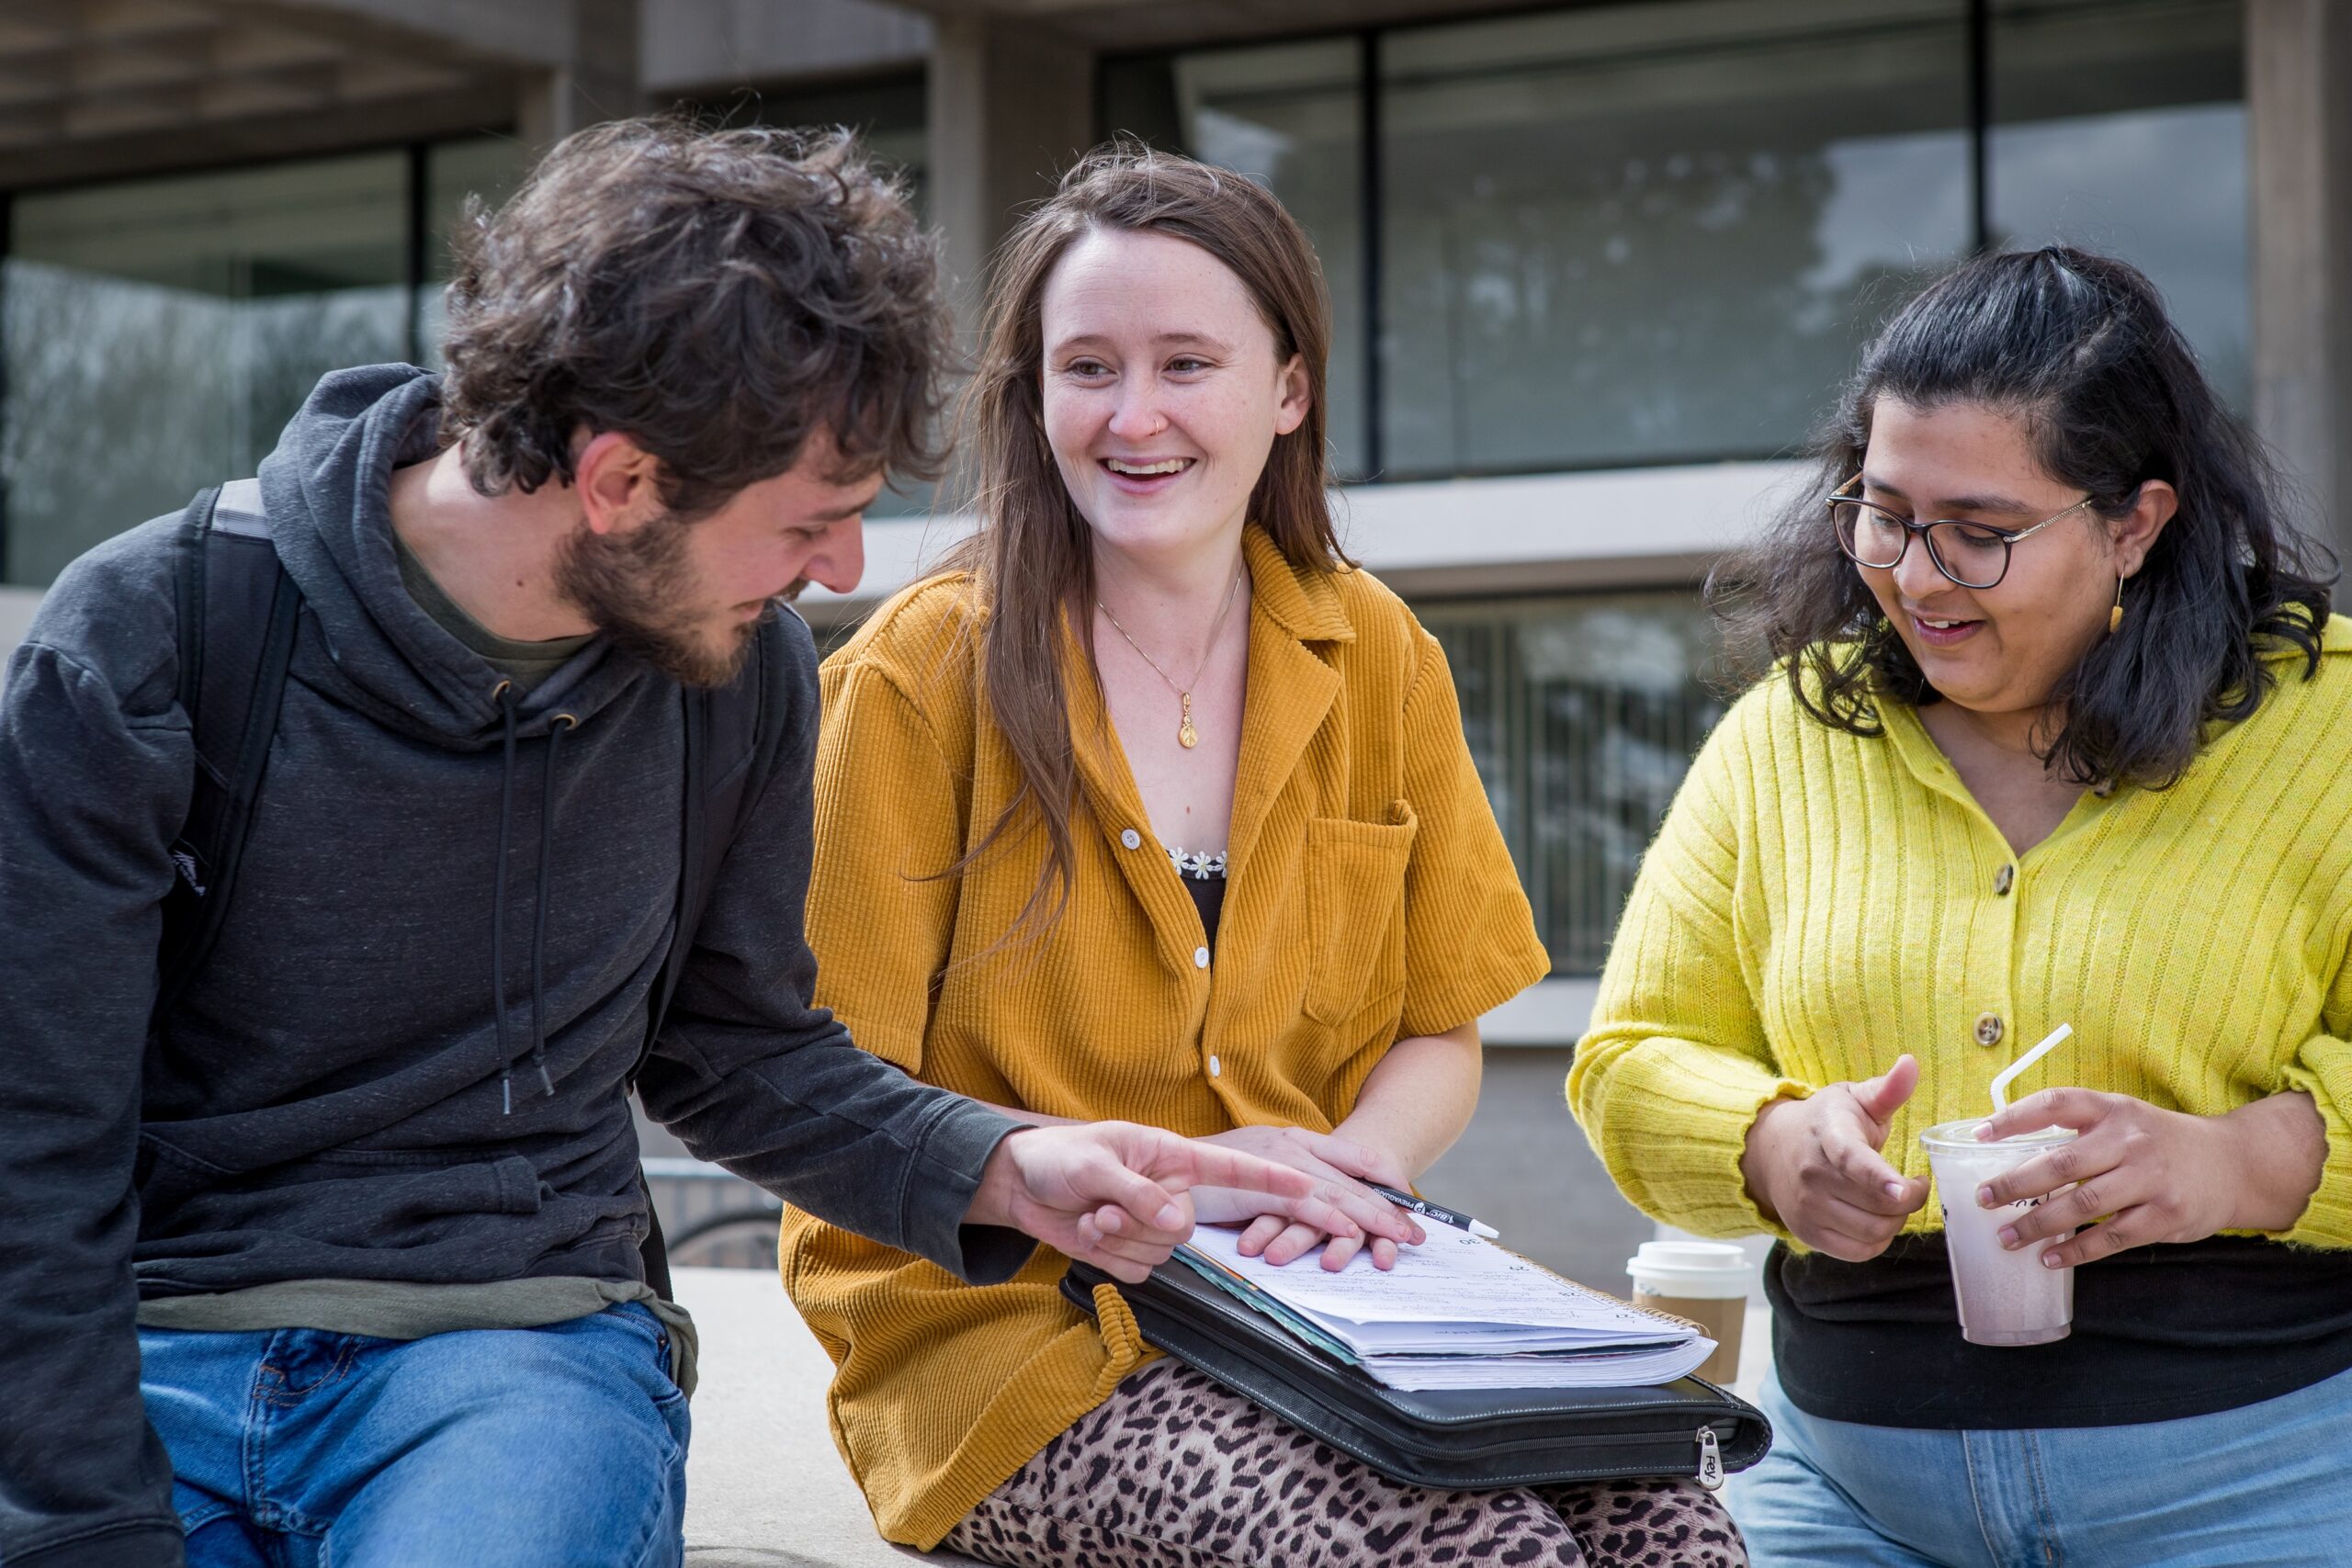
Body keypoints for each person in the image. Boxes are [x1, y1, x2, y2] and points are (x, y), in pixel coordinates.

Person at [0, 119, 1413, 1568]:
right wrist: (83, 1524)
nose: (844, 571)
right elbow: (30, 1140)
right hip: (140, 1348)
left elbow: (739, 1052)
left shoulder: (739, 676)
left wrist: (1005, 1167)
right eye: (810, 521)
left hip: (517, 1356)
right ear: (619, 486)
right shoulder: (156, 638)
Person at [780, 144, 1749, 1568]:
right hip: (1020, 1339)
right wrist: (1152, 1178)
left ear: (1287, 392)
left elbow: (1442, 1031)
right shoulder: (918, 680)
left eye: (1187, 363)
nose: (1133, 416)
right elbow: (829, 1103)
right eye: (1089, 367)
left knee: (1676, 1527)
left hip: (1336, 1301)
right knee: (1483, 1551)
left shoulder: (1379, 655)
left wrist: (1346, 1173)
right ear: (1034, 394)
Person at [1570, 245, 2352, 1565]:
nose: (1916, 576)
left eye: (1981, 535)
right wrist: (1773, 1147)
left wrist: (2240, 1162)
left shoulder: (2322, 724)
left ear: (2136, 523)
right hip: (1840, 1496)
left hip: (2263, 1486)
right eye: (1882, 514)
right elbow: (1630, 1060)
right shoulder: (1789, 737)